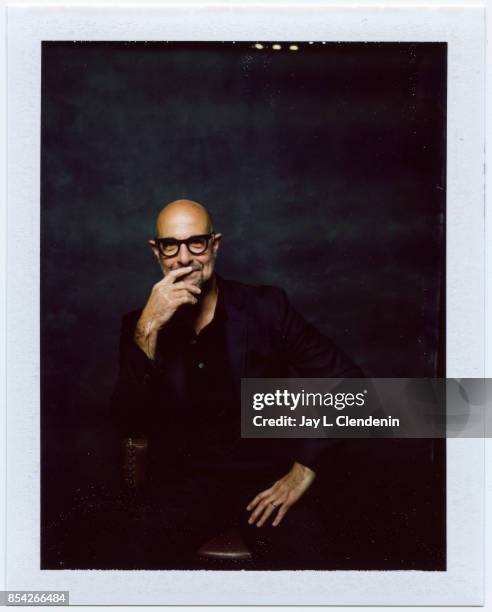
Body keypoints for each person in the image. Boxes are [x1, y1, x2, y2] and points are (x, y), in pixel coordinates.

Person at [110, 198, 362, 569]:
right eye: (171, 246)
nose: (184, 258)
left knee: (313, 561)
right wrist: (148, 330)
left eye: (196, 242)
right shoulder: (139, 324)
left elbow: (348, 382)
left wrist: (304, 469)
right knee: (127, 558)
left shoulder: (267, 306)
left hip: (264, 483)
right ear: (156, 252)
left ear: (215, 244)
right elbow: (128, 422)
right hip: (183, 486)